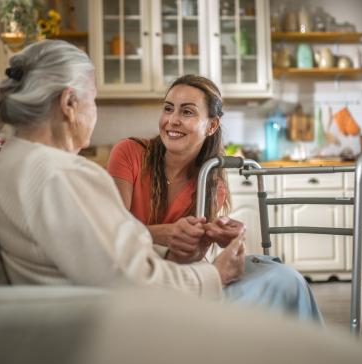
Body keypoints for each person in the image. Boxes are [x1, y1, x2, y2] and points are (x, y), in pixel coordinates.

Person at [0, 40, 246, 301]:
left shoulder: (15, 160)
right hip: (109, 315)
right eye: (94, 100)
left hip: (83, 303)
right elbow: (129, 278)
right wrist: (215, 275)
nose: (173, 120)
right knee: (275, 282)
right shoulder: (61, 175)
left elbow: (106, 255)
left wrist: (177, 251)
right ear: (69, 104)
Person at [107, 74, 323, 322]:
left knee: (285, 277)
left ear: (211, 126)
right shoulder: (129, 153)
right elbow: (111, 235)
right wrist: (165, 234)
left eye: (187, 112)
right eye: (168, 109)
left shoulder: (212, 184)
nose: (172, 120)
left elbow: (188, 258)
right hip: (132, 276)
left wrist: (214, 237)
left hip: (176, 276)